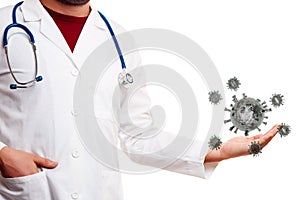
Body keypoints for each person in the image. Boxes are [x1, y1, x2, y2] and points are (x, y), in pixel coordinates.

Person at [0, 0, 280, 199]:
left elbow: (138, 134)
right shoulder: (5, 25)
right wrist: (3, 155)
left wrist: (214, 151)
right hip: (25, 191)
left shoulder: (119, 39)